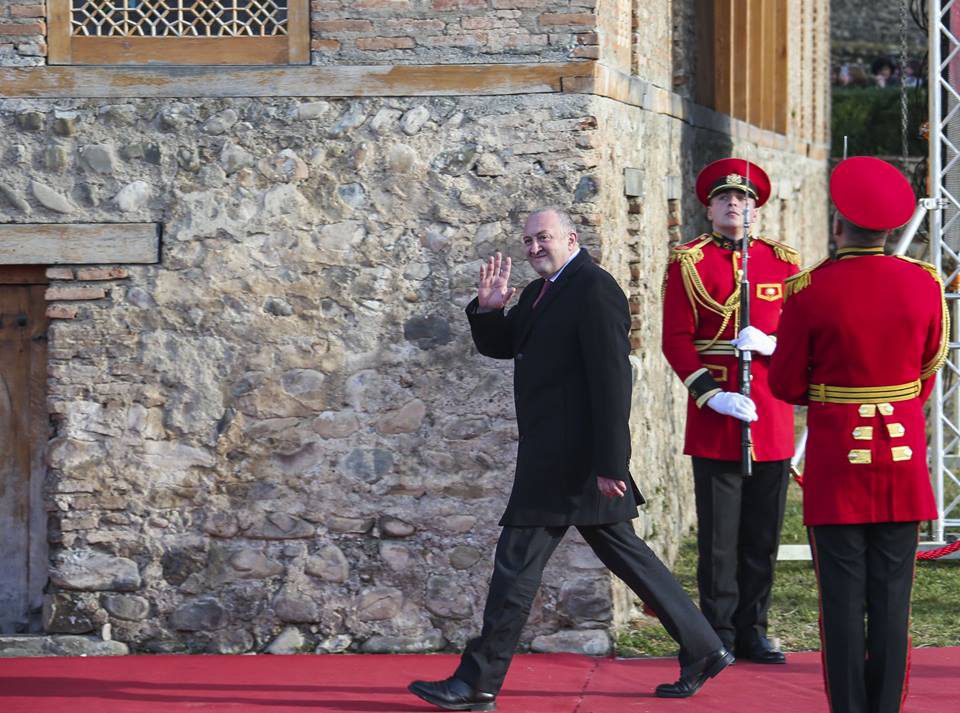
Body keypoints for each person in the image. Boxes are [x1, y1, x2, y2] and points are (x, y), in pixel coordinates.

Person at [408, 207, 731, 711]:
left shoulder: (594, 288)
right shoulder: (540, 291)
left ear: (571, 238)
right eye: (528, 241)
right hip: (553, 455)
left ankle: (477, 683)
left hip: (571, 461)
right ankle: (705, 648)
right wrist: (489, 311)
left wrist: (611, 462)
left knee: (515, 568)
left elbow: (612, 380)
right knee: (626, 554)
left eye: (544, 237)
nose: (534, 248)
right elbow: (506, 346)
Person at [769, 156, 945, 713]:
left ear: (838, 222)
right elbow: (927, 370)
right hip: (901, 460)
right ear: (892, 229)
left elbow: (786, 384)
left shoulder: (808, 289)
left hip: (837, 462)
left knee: (842, 603)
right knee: (893, 601)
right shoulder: (924, 284)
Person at [661, 158, 800, 664]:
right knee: (719, 538)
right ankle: (717, 631)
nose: (734, 205)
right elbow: (676, 339)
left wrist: (773, 344)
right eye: (724, 199)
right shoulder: (689, 263)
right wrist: (710, 394)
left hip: (769, 415)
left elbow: (802, 334)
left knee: (762, 535)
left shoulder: (782, 263)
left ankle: (753, 629)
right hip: (717, 413)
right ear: (709, 208)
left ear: (755, 210)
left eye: (742, 199)